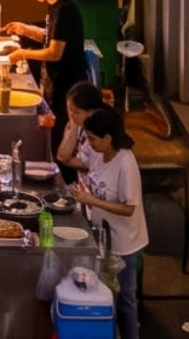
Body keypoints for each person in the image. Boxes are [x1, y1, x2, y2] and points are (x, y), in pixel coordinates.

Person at [68, 106, 146, 339]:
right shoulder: (97, 153)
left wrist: (91, 199)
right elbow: (68, 158)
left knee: (125, 300)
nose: (88, 143)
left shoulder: (126, 163)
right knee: (106, 295)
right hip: (103, 237)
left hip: (125, 243)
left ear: (108, 138)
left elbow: (129, 208)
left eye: (92, 139)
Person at [5, 0, 90, 148]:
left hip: (66, 86)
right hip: (55, 84)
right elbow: (52, 36)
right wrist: (25, 29)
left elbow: (54, 52)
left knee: (61, 139)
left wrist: (23, 53)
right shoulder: (56, 5)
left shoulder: (65, 10)